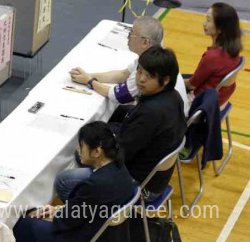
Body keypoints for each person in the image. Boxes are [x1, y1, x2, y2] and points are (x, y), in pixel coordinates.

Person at [56, 47, 186, 202]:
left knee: (67, 176)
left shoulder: (150, 113)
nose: (141, 79)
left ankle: (83, 218)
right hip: (155, 177)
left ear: (165, 80)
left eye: (149, 76)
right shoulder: (174, 97)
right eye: (139, 71)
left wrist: (91, 151)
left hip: (140, 185)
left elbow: (120, 155)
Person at [13, 122, 135, 242]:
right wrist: (59, 209)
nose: (78, 149)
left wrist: (54, 215)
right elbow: (82, 209)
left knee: (22, 222)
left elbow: (65, 221)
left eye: (81, 146)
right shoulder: (120, 168)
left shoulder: (93, 185)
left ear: (97, 151)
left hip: (82, 234)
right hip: (105, 230)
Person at [69, 16, 189, 116]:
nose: (127, 37)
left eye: (131, 34)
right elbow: (123, 74)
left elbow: (117, 96)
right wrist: (89, 75)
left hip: (162, 127)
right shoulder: (151, 56)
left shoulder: (148, 71)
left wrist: (89, 81)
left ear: (145, 42)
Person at [185, 2, 243, 108]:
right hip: (220, 98)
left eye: (208, 20)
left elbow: (191, 84)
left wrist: (172, 81)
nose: (204, 23)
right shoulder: (234, 48)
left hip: (200, 103)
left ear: (220, 29)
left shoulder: (212, 57)